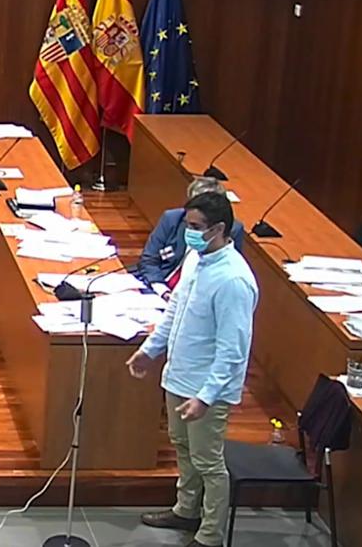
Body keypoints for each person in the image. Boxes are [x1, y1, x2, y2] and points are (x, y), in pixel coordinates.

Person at [126, 192, 259, 547]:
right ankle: (186, 509)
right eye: (188, 224)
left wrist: (206, 396)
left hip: (206, 388)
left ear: (219, 229)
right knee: (182, 447)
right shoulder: (194, 260)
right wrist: (149, 350)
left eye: (196, 227)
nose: (189, 233)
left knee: (208, 463)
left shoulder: (234, 280)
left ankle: (210, 534)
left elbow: (233, 350)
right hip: (178, 375)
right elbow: (175, 312)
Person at [136, 177, 246, 298]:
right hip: (158, 287)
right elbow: (149, 259)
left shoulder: (232, 231)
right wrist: (162, 290)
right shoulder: (172, 218)